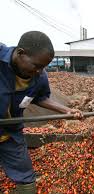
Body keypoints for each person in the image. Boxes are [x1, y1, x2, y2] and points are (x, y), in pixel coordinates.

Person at [0, 31, 82, 194]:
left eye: (43, 67)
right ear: (21, 53)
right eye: (37, 65)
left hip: (10, 133)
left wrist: (66, 110)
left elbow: (40, 98)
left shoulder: (39, 77)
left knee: (26, 180)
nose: (40, 71)